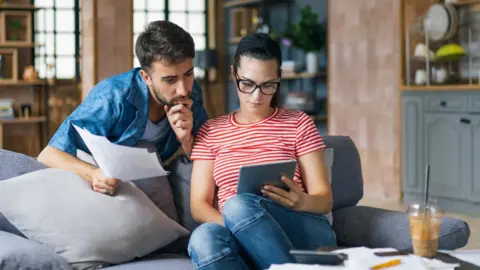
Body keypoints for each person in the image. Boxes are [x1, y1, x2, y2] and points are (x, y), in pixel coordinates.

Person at [187, 33, 336, 270]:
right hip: (236, 231)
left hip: (300, 229)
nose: (256, 97)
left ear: (279, 78)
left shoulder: (299, 123)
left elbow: (324, 200)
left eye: (267, 85)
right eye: (247, 84)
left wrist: (302, 201)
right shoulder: (211, 131)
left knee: (237, 205)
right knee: (203, 239)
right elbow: (199, 206)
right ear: (233, 73)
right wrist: (239, 226)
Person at [37, 20, 208, 195]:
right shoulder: (112, 96)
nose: (183, 89)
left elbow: (206, 155)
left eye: (188, 74)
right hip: (104, 179)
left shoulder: (191, 91)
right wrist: (92, 173)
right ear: (146, 77)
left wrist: (186, 140)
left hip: (154, 175)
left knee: (196, 171)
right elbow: (49, 154)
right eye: (170, 80)